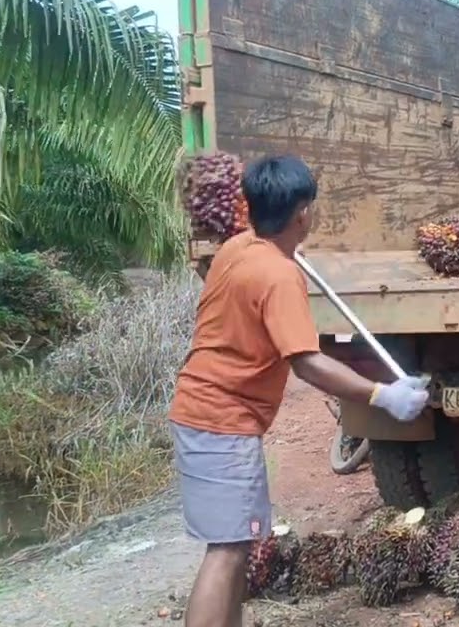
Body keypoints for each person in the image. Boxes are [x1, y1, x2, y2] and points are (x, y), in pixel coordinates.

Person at [167, 154, 430, 627]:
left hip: (201, 414)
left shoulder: (236, 250)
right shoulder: (278, 274)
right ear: (303, 213)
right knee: (227, 550)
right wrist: (382, 395)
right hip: (222, 421)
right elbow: (307, 362)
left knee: (234, 543)